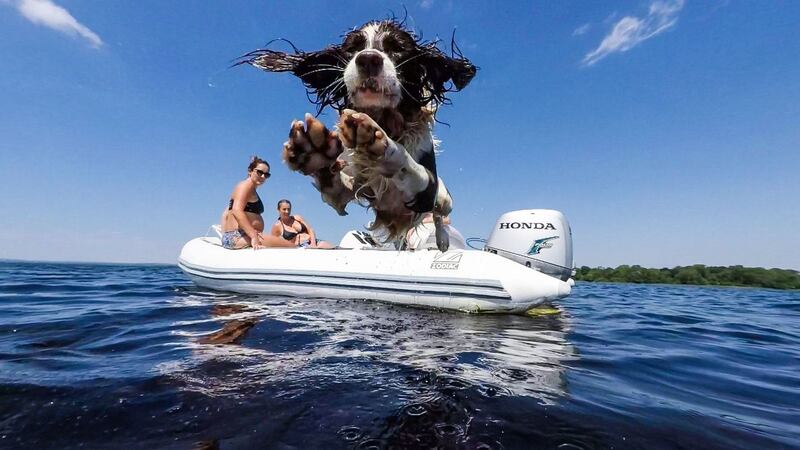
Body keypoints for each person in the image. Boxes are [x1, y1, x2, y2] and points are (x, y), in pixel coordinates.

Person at [220, 157, 296, 250]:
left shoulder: (248, 188)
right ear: (250, 171)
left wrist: (225, 236)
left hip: (234, 237)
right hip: (238, 236)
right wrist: (253, 235)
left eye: (266, 174)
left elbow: (226, 213)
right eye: (259, 172)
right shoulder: (246, 186)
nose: (263, 176)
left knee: (288, 244)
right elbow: (236, 211)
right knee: (292, 246)